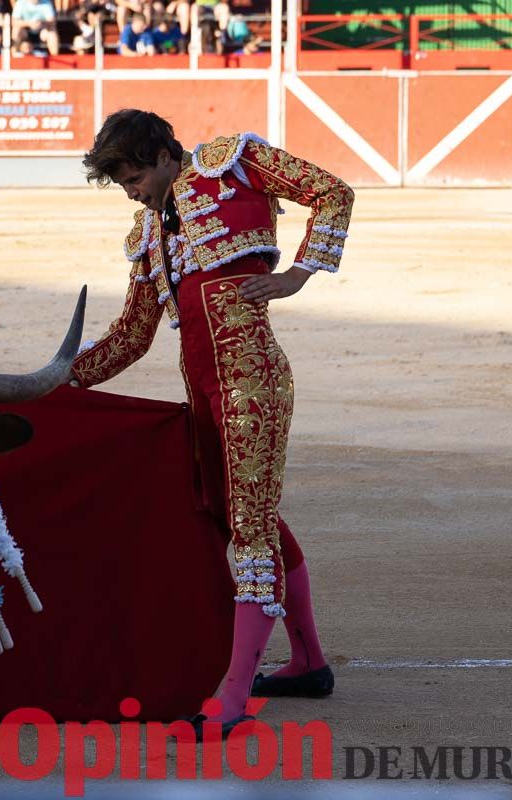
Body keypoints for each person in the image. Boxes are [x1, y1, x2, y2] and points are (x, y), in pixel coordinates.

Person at [72, 109, 353, 735]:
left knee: (250, 528)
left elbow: (333, 192)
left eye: (133, 176)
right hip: (203, 390)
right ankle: (307, 661)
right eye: (121, 184)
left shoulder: (236, 165)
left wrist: (296, 276)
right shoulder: (149, 234)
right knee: (247, 518)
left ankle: (230, 700)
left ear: (163, 154)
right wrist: (62, 380)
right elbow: (131, 337)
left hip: (251, 386)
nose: (132, 192)